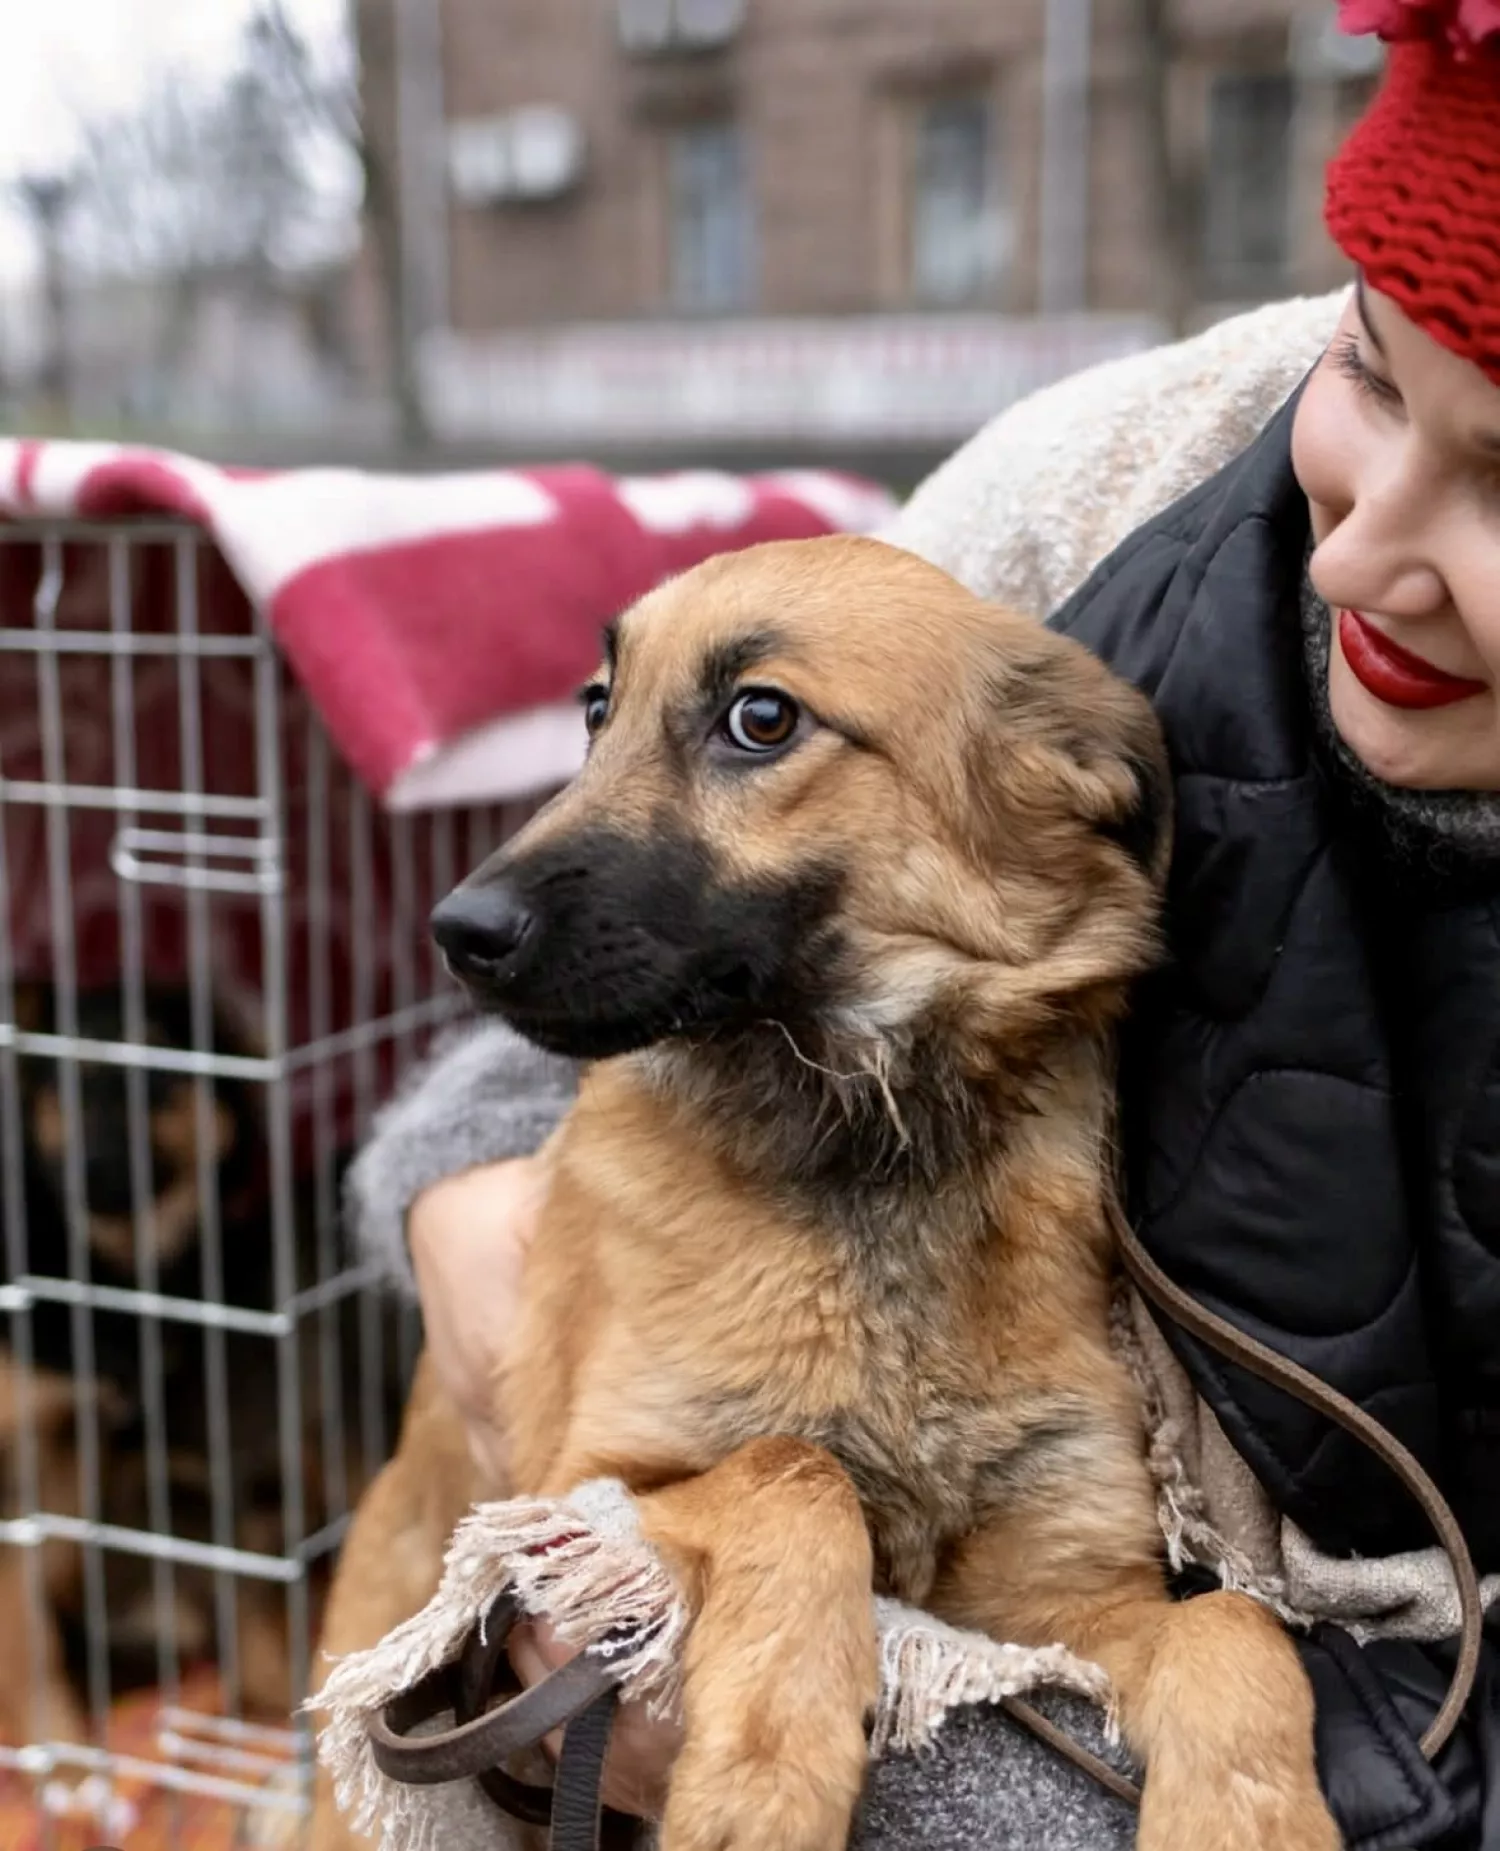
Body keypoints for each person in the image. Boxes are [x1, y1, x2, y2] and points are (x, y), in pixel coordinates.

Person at [346, 5, 1500, 1846]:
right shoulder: (1113, 483)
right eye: (1365, 372)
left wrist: (919, 1787)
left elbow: (1092, 1621)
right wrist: (474, 1189)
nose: (1354, 554)